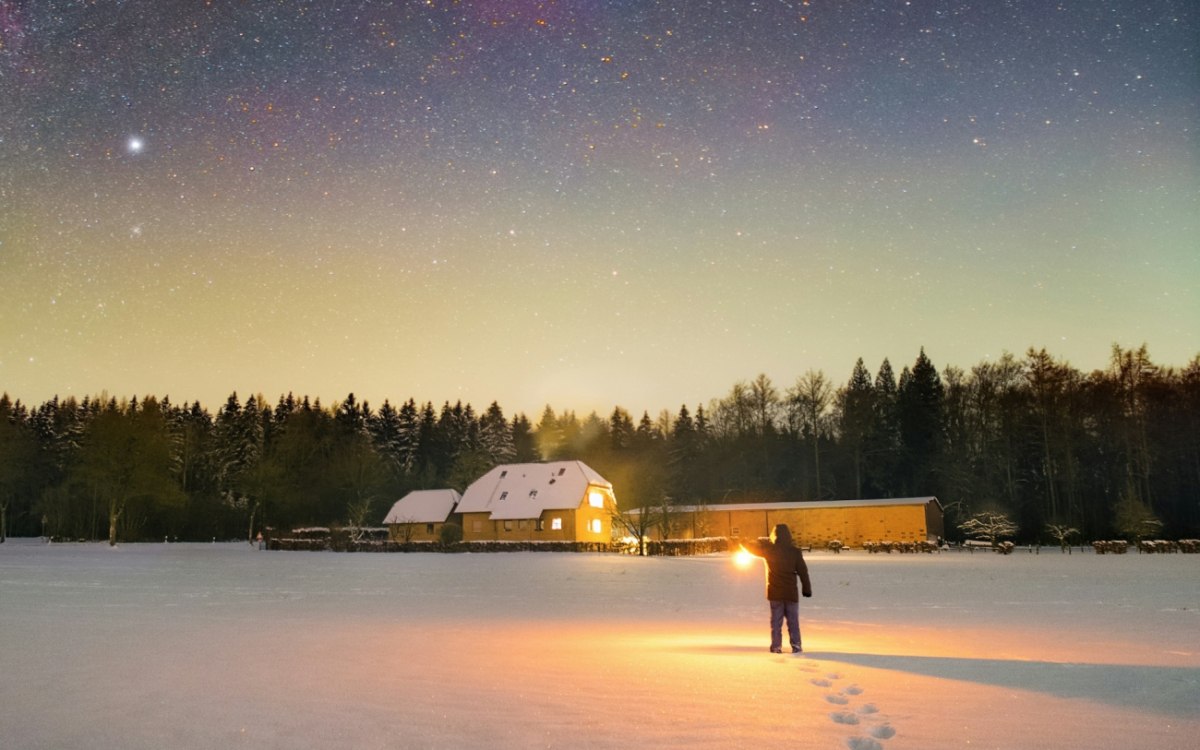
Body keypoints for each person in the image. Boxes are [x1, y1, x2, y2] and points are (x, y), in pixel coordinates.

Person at [742, 524, 813, 654]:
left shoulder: (769, 550)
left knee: (776, 622)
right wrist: (806, 589)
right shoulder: (795, 552)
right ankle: (796, 646)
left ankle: (776, 647)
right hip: (791, 592)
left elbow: (752, 549)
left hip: (775, 593)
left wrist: (742, 542)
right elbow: (803, 572)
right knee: (793, 622)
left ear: (775, 535)